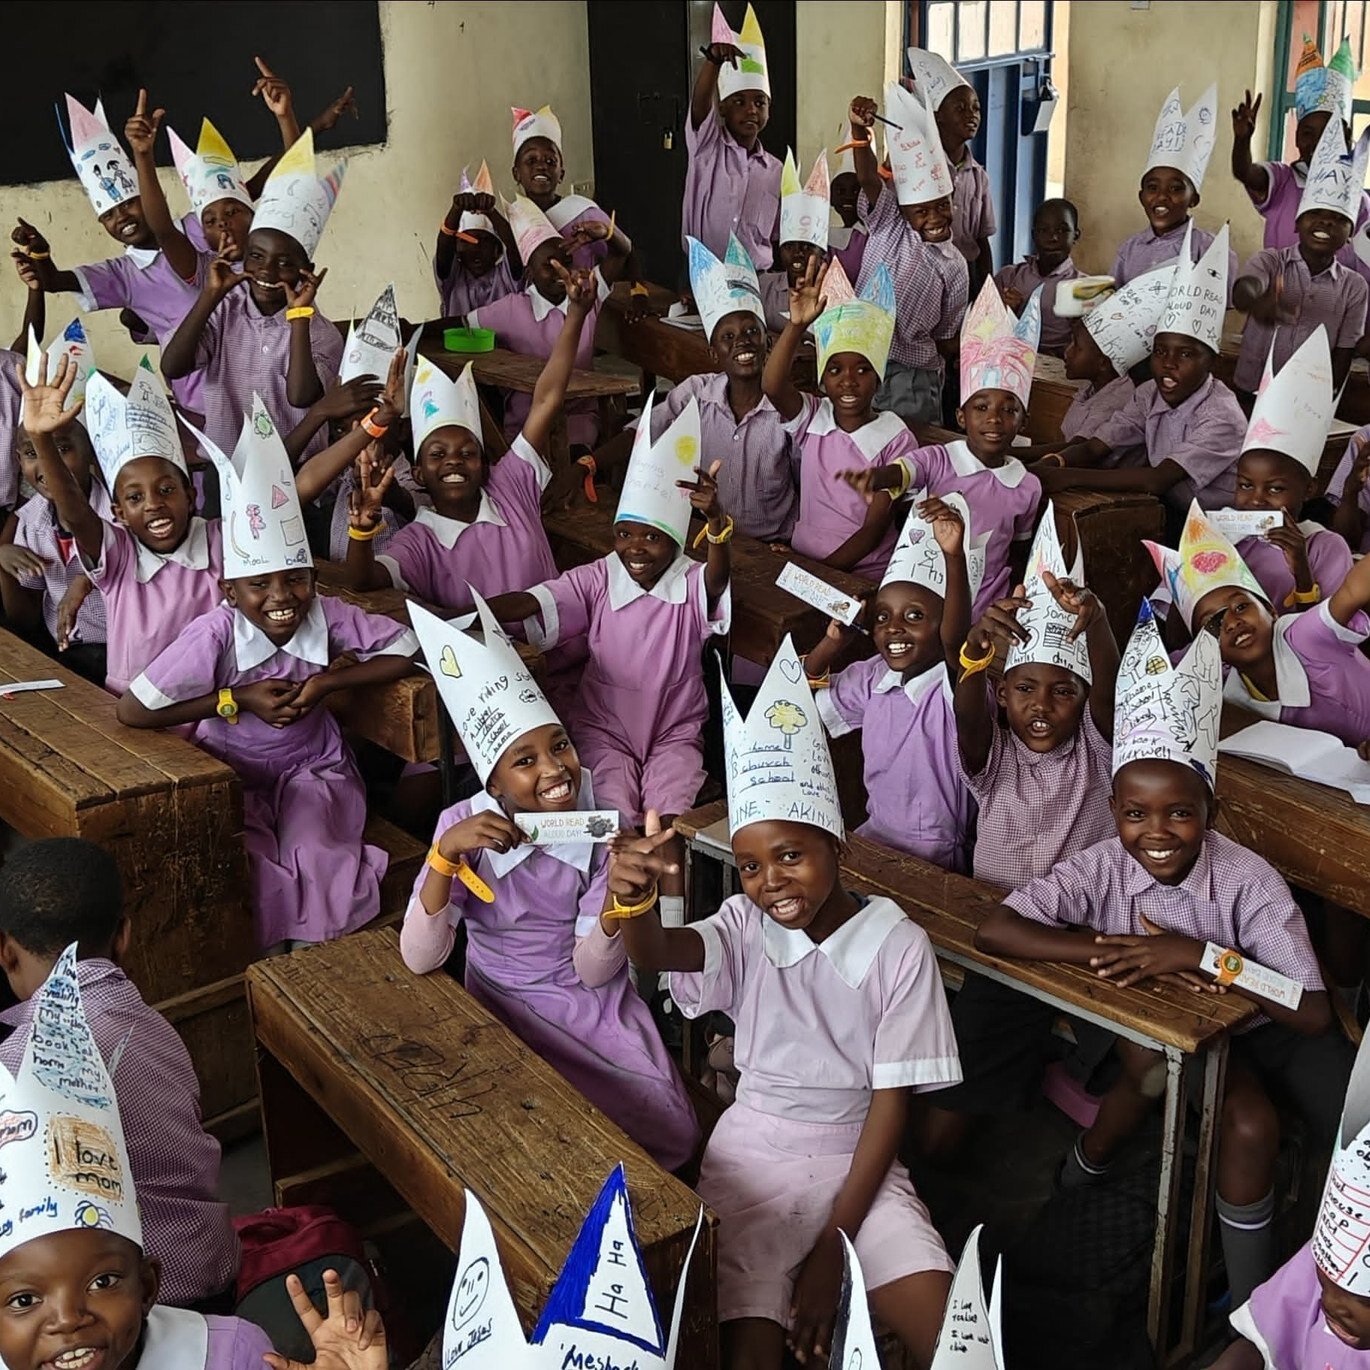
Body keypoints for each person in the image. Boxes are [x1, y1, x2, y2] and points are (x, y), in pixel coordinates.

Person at [971, 602, 1349, 1307]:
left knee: (1350, 1129)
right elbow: (999, 930)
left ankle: (1298, 1280)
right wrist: (1099, 950)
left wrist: (1202, 954)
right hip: (1202, 1036)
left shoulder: (1247, 880)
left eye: (1180, 812)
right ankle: (1243, 1298)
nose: (1157, 832)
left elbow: (1314, 1012)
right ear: (1113, 812)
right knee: (1240, 1119)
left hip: (1274, 1026)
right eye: (1135, 813)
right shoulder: (1104, 864)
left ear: (1210, 810)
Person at [607, 638, 961, 1370]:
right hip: (755, 1157)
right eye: (749, 866)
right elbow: (655, 954)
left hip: (861, 1159)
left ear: (840, 847)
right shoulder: (743, 926)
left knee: (956, 1342)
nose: (770, 881)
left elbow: (891, 1107)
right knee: (750, 1351)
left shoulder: (899, 945)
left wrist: (834, 1248)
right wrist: (635, 900)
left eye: (792, 855)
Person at [401, 596, 699, 1172]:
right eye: (525, 760)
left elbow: (591, 969)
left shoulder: (599, 823)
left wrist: (620, 901)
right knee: (532, 1138)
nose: (554, 769)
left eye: (559, 745)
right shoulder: (459, 827)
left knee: (670, 1130)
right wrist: (444, 859)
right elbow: (419, 957)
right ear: (493, 780)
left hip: (582, 999)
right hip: (496, 995)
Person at [116, 399, 417, 951]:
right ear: (230, 592)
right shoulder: (215, 633)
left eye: (297, 580)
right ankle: (271, 958)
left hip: (314, 766)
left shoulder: (327, 612)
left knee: (317, 851)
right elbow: (133, 710)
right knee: (245, 859)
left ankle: (312, 958)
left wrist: (329, 684)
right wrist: (234, 699)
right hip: (231, 769)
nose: (282, 598)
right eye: (260, 585)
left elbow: (406, 650)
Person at [20, 349, 402, 699]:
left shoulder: (226, 537)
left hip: (220, 706)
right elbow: (76, 513)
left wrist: (374, 425)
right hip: (140, 709)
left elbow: (300, 483)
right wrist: (40, 438)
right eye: (135, 498)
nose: (154, 504)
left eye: (167, 489)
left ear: (191, 495)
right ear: (118, 513)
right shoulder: (118, 554)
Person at [0, 945, 279, 1370]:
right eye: (23, 1300)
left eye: (102, 1281)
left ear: (148, 1287)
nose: (69, 1320)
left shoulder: (230, 1357)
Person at [0, 839, 237, 1311]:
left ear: (7, 954)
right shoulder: (154, 1027)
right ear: (124, 934)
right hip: (215, 1270)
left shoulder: (14, 1067)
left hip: (131, 1311)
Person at [486, 396, 731, 842]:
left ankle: (670, 906)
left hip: (673, 732)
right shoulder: (600, 577)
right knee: (611, 818)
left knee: (669, 821)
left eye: (652, 538)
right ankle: (615, 901)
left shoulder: (690, 581)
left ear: (676, 542)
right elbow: (534, 601)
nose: (635, 549)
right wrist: (475, 612)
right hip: (604, 728)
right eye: (624, 534)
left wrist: (716, 524)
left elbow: (717, 580)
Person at [342, 266, 594, 613]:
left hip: (568, 652)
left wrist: (576, 314)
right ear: (418, 474)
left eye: (467, 452)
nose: (454, 460)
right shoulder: (419, 541)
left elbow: (547, 399)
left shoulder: (511, 486)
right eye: (437, 454)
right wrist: (361, 534)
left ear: (484, 464)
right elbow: (365, 580)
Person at [845, 278, 1045, 617]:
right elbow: (906, 471)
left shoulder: (1027, 485)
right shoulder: (941, 459)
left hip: (984, 603)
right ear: (961, 417)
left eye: (1008, 410)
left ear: (1023, 423)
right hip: (925, 592)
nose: (994, 419)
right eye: (981, 407)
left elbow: (1018, 551)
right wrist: (876, 477)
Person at [804, 496, 978, 870]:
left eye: (914, 616)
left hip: (937, 855)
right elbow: (799, 704)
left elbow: (956, 641)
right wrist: (831, 645)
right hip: (874, 837)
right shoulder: (873, 677)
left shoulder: (953, 687)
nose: (894, 628)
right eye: (883, 617)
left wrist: (953, 558)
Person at [594, 234, 796, 543]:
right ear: (714, 354)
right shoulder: (697, 394)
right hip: (706, 534)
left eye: (752, 331)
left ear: (767, 343)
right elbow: (643, 432)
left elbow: (809, 484)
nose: (742, 341)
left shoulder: (787, 407)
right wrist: (588, 464)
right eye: (727, 337)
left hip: (772, 545)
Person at [1040, 225, 1247, 521]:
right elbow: (1097, 446)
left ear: (1211, 361)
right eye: (1160, 351)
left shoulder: (1221, 415)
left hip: (1221, 527)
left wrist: (1068, 477)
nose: (1168, 363)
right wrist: (1054, 463)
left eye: (1186, 354)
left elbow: (1157, 479)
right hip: (1170, 511)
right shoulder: (1148, 394)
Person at [764, 256, 950, 580]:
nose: (848, 380)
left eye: (863, 370)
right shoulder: (813, 418)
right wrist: (796, 326)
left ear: (879, 379)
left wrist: (816, 573)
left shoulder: (896, 437)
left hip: (863, 571)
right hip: (806, 561)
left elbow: (873, 532)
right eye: (835, 370)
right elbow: (772, 385)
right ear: (822, 379)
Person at [1150, 502, 1370, 747]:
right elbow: (1153, 679)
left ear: (1271, 611)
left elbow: (1353, 590)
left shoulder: (1302, 637)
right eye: (1213, 620)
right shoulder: (1219, 676)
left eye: (1241, 606)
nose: (1232, 622)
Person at [1217, 1025, 1370, 1367]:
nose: (1331, 1304)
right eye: (1326, 1280)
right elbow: (1259, 1345)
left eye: (1365, 1299)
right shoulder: (1333, 1259)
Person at [466, 197, 629, 448]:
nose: (560, 272)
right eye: (548, 266)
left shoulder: (587, 292)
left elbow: (623, 252)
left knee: (574, 452)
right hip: (526, 421)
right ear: (530, 272)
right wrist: (414, 330)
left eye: (565, 262)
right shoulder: (512, 308)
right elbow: (463, 324)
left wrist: (607, 232)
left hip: (579, 416)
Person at [846, 83, 964, 425]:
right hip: (863, 359)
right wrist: (858, 129)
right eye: (921, 211)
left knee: (908, 457)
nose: (935, 218)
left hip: (913, 377)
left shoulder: (955, 265)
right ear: (902, 209)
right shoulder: (888, 222)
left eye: (942, 205)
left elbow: (945, 337)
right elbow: (868, 177)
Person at [1230, 119, 1369, 402]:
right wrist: (1258, 300)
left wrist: (1329, 397)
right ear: (1296, 224)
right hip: (1252, 388)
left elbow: (1344, 349)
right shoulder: (1271, 261)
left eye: (1339, 219)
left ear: (1350, 233)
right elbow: (1244, 290)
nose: (1326, 222)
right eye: (1315, 213)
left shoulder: (1354, 287)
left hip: (1308, 395)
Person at [0, 324, 107, 685]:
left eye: (63, 448)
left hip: (124, 653)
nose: (47, 465)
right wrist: (2, 563)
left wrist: (86, 582)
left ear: (91, 450)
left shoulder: (119, 512)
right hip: (64, 655)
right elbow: (24, 620)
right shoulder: (29, 521)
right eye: (32, 453)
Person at [1229, 327, 1353, 612]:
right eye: (1246, 485)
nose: (1257, 500)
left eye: (1275, 489)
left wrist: (1300, 567)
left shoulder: (1326, 548)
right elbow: (1180, 628)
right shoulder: (1220, 535)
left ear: (1310, 489)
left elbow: (1326, 638)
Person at [1230, 37, 1370, 278]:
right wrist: (1243, 140)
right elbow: (1246, 172)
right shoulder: (1283, 180)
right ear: (1296, 137)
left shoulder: (1358, 198)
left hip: (1339, 304)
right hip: (1281, 300)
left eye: (1329, 132)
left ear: (1348, 138)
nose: (1319, 143)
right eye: (1308, 133)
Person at [682, 4, 781, 270]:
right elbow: (700, 106)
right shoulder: (707, 148)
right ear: (722, 107)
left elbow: (776, 233)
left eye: (760, 102)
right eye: (739, 101)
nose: (751, 110)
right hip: (706, 271)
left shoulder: (776, 170)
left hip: (755, 276)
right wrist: (713, 62)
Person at [1112, 84, 1238, 293]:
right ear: (1141, 196)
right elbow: (1111, 298)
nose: (1161, 196)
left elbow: (1221, 303)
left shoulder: (1209, 250)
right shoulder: (1130, 250)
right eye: (1152, 187)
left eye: (1175, 189)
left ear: (1194, 199)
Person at [1052, 264, 1175, 445]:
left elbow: (1079, 449)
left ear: (1103, 362)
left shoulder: (1118, 399)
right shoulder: (1092, 388)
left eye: (1076, 346)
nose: (1067, 352)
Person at [907, 46, 996, 288]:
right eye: (960, 108)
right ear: (938, 117)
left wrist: (986, 287)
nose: (972, 115)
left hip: (967, 273)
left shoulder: (978, 176)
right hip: (924, 274)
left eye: (976, 107)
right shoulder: (920, 168)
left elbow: (981, 239)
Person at [509, 103, 617, 272]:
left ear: (561, 174)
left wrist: (638, 290)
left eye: (550, 161)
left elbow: (625, 253)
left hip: (583, 296)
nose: (541, 166)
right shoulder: (513, 219)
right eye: (531, 160)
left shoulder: (584, 212)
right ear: (516, 173)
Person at [994, 199, 1083, 357]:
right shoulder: (1009, 277)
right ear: (1034, 235)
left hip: (1060, 367)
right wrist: (1007, 311)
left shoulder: (1084, 287)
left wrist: (1078, 324)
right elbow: (984, 329)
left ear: (1076, 235)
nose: (1053, 237)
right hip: (1009, 361)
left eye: (1062, 230)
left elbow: (1091, 347)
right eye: (1044, 230)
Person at [758, 150, 831, 331]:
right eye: (789, 246)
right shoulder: (763, 287)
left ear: (822, 252)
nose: (798, 253)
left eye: (808, 246)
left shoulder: (835, 293)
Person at [434, 160, 517, 314]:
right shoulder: (453, 279)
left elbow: (513, 245)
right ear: (456, 248)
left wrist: (491, 212)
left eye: (485, 241)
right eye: (467, 241)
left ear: (497, 250)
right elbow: (443, 249)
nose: (476, 248)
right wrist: (456, 210)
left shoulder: (506, 278)